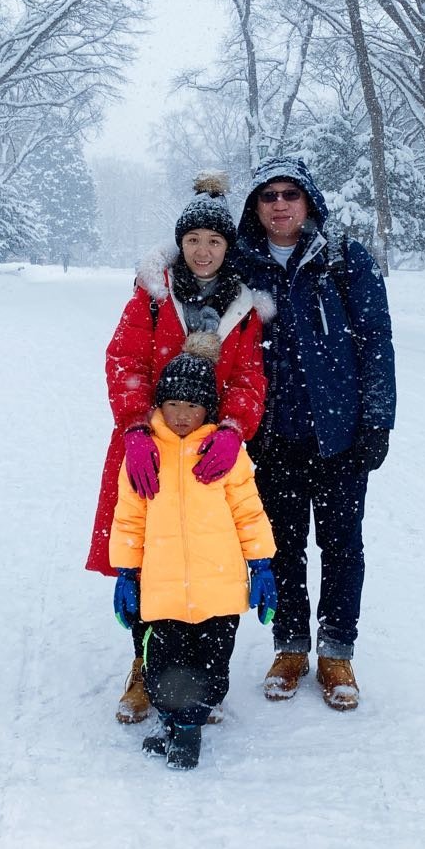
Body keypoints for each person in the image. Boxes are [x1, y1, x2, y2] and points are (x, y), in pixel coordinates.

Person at [86, 171, 273, 723]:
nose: (203, 251)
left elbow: (249, 379)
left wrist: (233, 430)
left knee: (205, 562)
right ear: (180, 243)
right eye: (193, 240)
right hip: (148, 448)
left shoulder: (242, 307)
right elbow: (125, 363)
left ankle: (196, 671)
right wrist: (137, 428)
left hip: (212, 458)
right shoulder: (150, 298)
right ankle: (146, 669)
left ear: (226, 246)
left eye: (214, 241)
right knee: (146, 559)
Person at [232, 156, 396, 711]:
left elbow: (377, 343)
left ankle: (336, 652)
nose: (280, 204)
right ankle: (291, 646)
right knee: (281, 549)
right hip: (273, 439)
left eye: (290, 194)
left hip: (340, 438)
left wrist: (377, 419)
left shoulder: (344, 261)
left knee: (342, 547)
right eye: (268, 195)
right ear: (255, 208)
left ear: (308, 202)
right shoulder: (241, 266)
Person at [109, 334, 277, 769]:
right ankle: (178, 725)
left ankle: (190, 723)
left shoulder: (225, 453)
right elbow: (129, 520)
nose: (182, 415)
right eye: (174, 404)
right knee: (163, 664)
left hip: (217, 590)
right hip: (162, 593)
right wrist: (127, 573)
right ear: (159, 405)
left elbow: (249, 512)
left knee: (212, 664)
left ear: (209, 410)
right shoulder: (145, 455)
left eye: (194, 406)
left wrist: (261, 563)